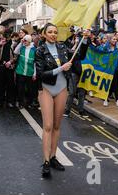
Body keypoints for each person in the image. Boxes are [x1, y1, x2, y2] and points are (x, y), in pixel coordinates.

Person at [35, 23, 89, 178]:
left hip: (61, 89)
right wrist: (61, 68)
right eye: (50, 32)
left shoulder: (63, 48)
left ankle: (53, 157)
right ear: (44, 34)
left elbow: (80, 55)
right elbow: (41, 74)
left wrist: (84, 40)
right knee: (48, 126)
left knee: (57, 126)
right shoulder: (40, 50)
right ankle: (45, 162)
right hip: (46, 89)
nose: (53, 34)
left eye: (55, 32)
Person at [98, 34, 118, 107]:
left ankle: (117, 100)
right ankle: (105, 99)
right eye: (113, 39)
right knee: (107, 84)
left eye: (116, 39)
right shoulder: (106, 47)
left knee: (115, 84)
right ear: (110, 40)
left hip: (115, 69)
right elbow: (101, 55)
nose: (115, 41)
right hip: (107, 69)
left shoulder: (117, 47)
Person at [14, 35, 36, 110]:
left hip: (30, 73)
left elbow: (35, 63)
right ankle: (21, 103)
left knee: (30, 89)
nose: (24, 42)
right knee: (20, 89)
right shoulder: (22, 47)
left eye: (26, 41)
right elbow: (15, 52)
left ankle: (29, 103)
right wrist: (20, 43)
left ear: (30, 41)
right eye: (24, 40)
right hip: (20, 72)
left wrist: (34, 73)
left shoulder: (34, 49)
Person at [0, 31, 16, 108]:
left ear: (10, 36)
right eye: (3, 36)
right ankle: (0, 101)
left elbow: (17, 55)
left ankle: (9, 101)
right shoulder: (0, 43)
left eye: (6, 36)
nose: (5, 38)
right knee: (0, 84)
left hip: (9, 67)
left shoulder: (13, 44)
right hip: (0, 66)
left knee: (10, 85)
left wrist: (10, 62)